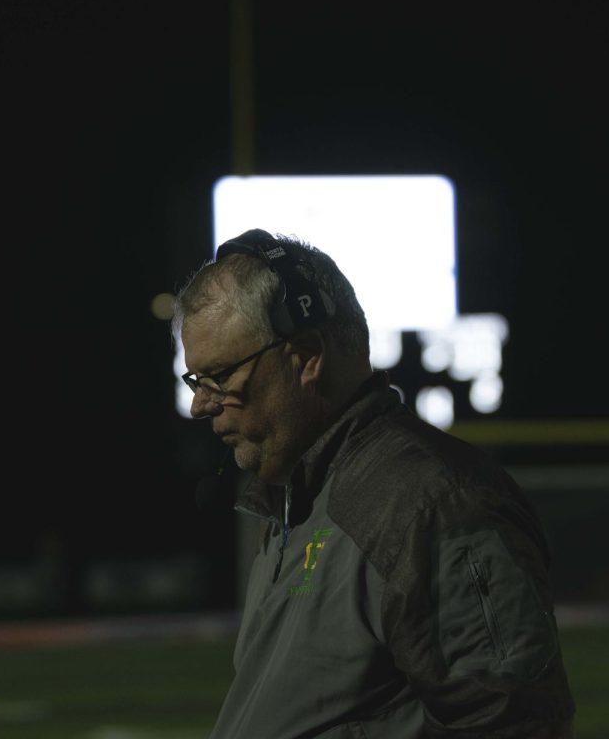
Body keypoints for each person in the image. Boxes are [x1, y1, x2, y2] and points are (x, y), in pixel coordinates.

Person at [173, 228, 575, 738]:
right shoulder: (301, 492)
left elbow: (506, 725)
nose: (200, 404)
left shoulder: (430, 502)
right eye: (196, 381)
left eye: (219, 377)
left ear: (307, 356)